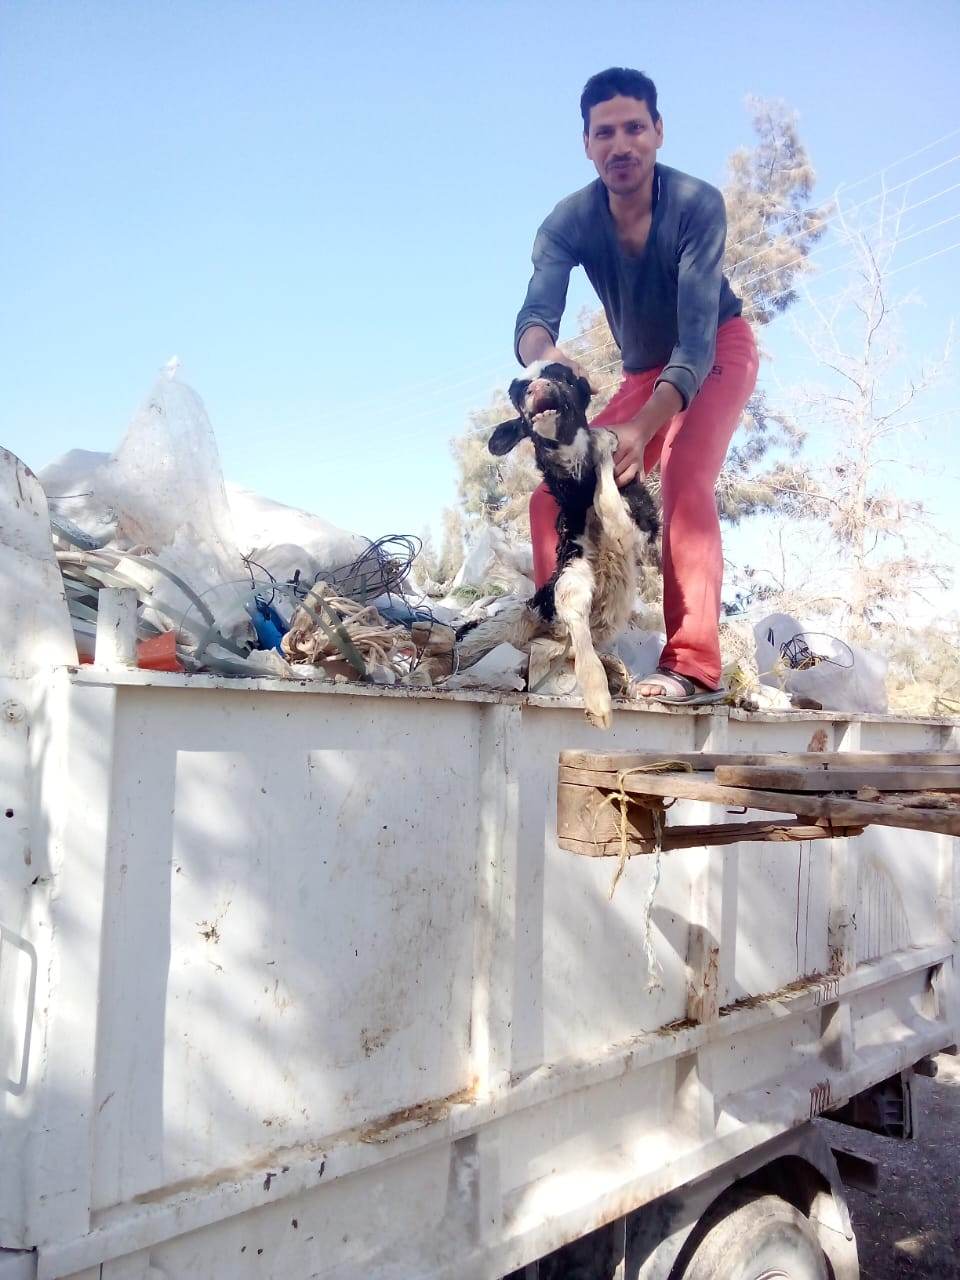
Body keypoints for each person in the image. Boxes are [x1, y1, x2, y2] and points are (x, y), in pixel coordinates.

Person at [514, 67, 759, 704]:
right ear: (587, 144)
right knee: (553, 496)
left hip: (715, 352)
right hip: (641, 371)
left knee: (682, 477)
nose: (620, 145)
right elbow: (534, 319)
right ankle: (565, 642)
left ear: (657, 132)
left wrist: (642, 427)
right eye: (604, 133)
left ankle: (692, 665)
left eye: (633, 128)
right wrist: (549, 363)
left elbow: (697, 343)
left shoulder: (696, 204)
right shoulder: (566, 221)